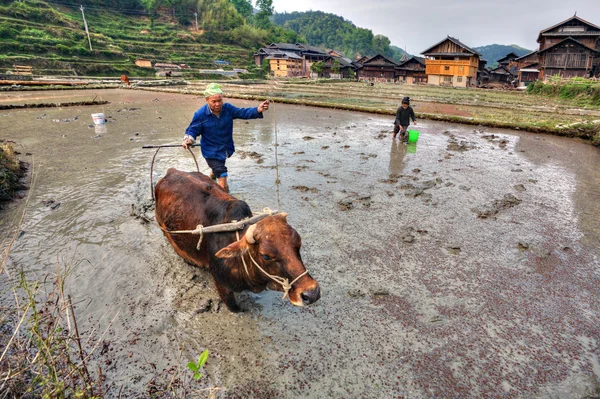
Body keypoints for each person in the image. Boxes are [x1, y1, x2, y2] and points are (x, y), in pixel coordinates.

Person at [182, 83, 269, 192]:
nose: (218, 104)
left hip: (225, 148)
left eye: (220, 101)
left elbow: (242, 113)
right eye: (214, 101)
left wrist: (258, 110)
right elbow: (193, 129)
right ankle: (226, 200)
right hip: (211, 151)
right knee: (222, 174)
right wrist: (188, 139)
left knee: (218, 168)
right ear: (207, 100)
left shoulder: (227, 109)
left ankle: (212, 177)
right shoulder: (200, 115)